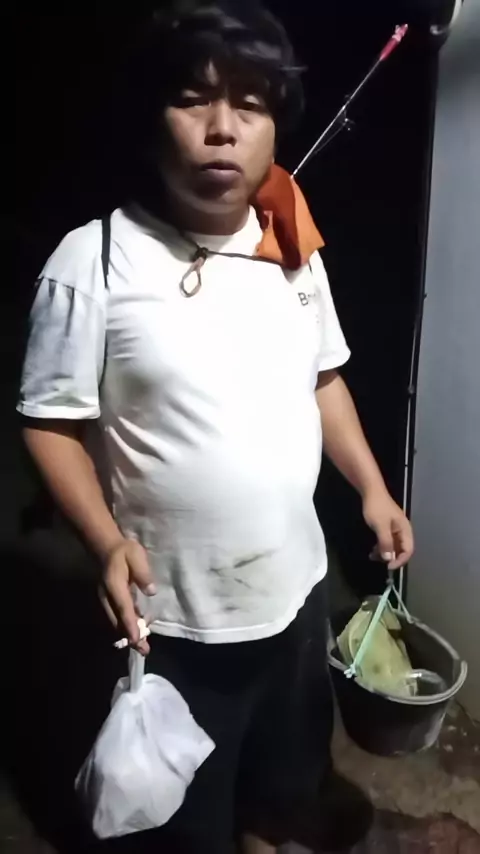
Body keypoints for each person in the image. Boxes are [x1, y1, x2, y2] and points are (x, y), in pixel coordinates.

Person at [18, 3, 414, 853]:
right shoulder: (94, 261)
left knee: (284, 786)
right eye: (193, 99)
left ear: (275, 129)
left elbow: (324, 380)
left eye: (251, 104)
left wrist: (374, 489)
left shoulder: (292, 247)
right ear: (151, 120)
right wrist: (104, 542)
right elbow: (50, 421)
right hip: (174, 621)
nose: (222, 128)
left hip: (296, 596)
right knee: (186, 824)